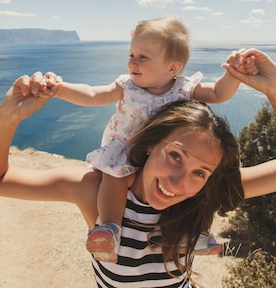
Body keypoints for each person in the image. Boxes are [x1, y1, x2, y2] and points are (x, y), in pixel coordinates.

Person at [0, 48, 276, 287]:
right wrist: (7, 116)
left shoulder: (202, 195)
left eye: (200, 172)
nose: (179, 182)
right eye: (176, 156)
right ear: (150, 144)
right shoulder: (95, 189)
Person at [50, 16, 246, 262]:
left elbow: (218, 93)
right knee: (115, 177)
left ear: (172, 68)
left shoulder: (184, 88)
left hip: (161, 155)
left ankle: (192, 235)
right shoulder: (127, 86)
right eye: (131, 54)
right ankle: (109, 230)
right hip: (128, 149)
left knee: (190, 185)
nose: (132, 62)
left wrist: (235, 74)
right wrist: (59, 88)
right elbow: (92, 95)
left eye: (143, 57)